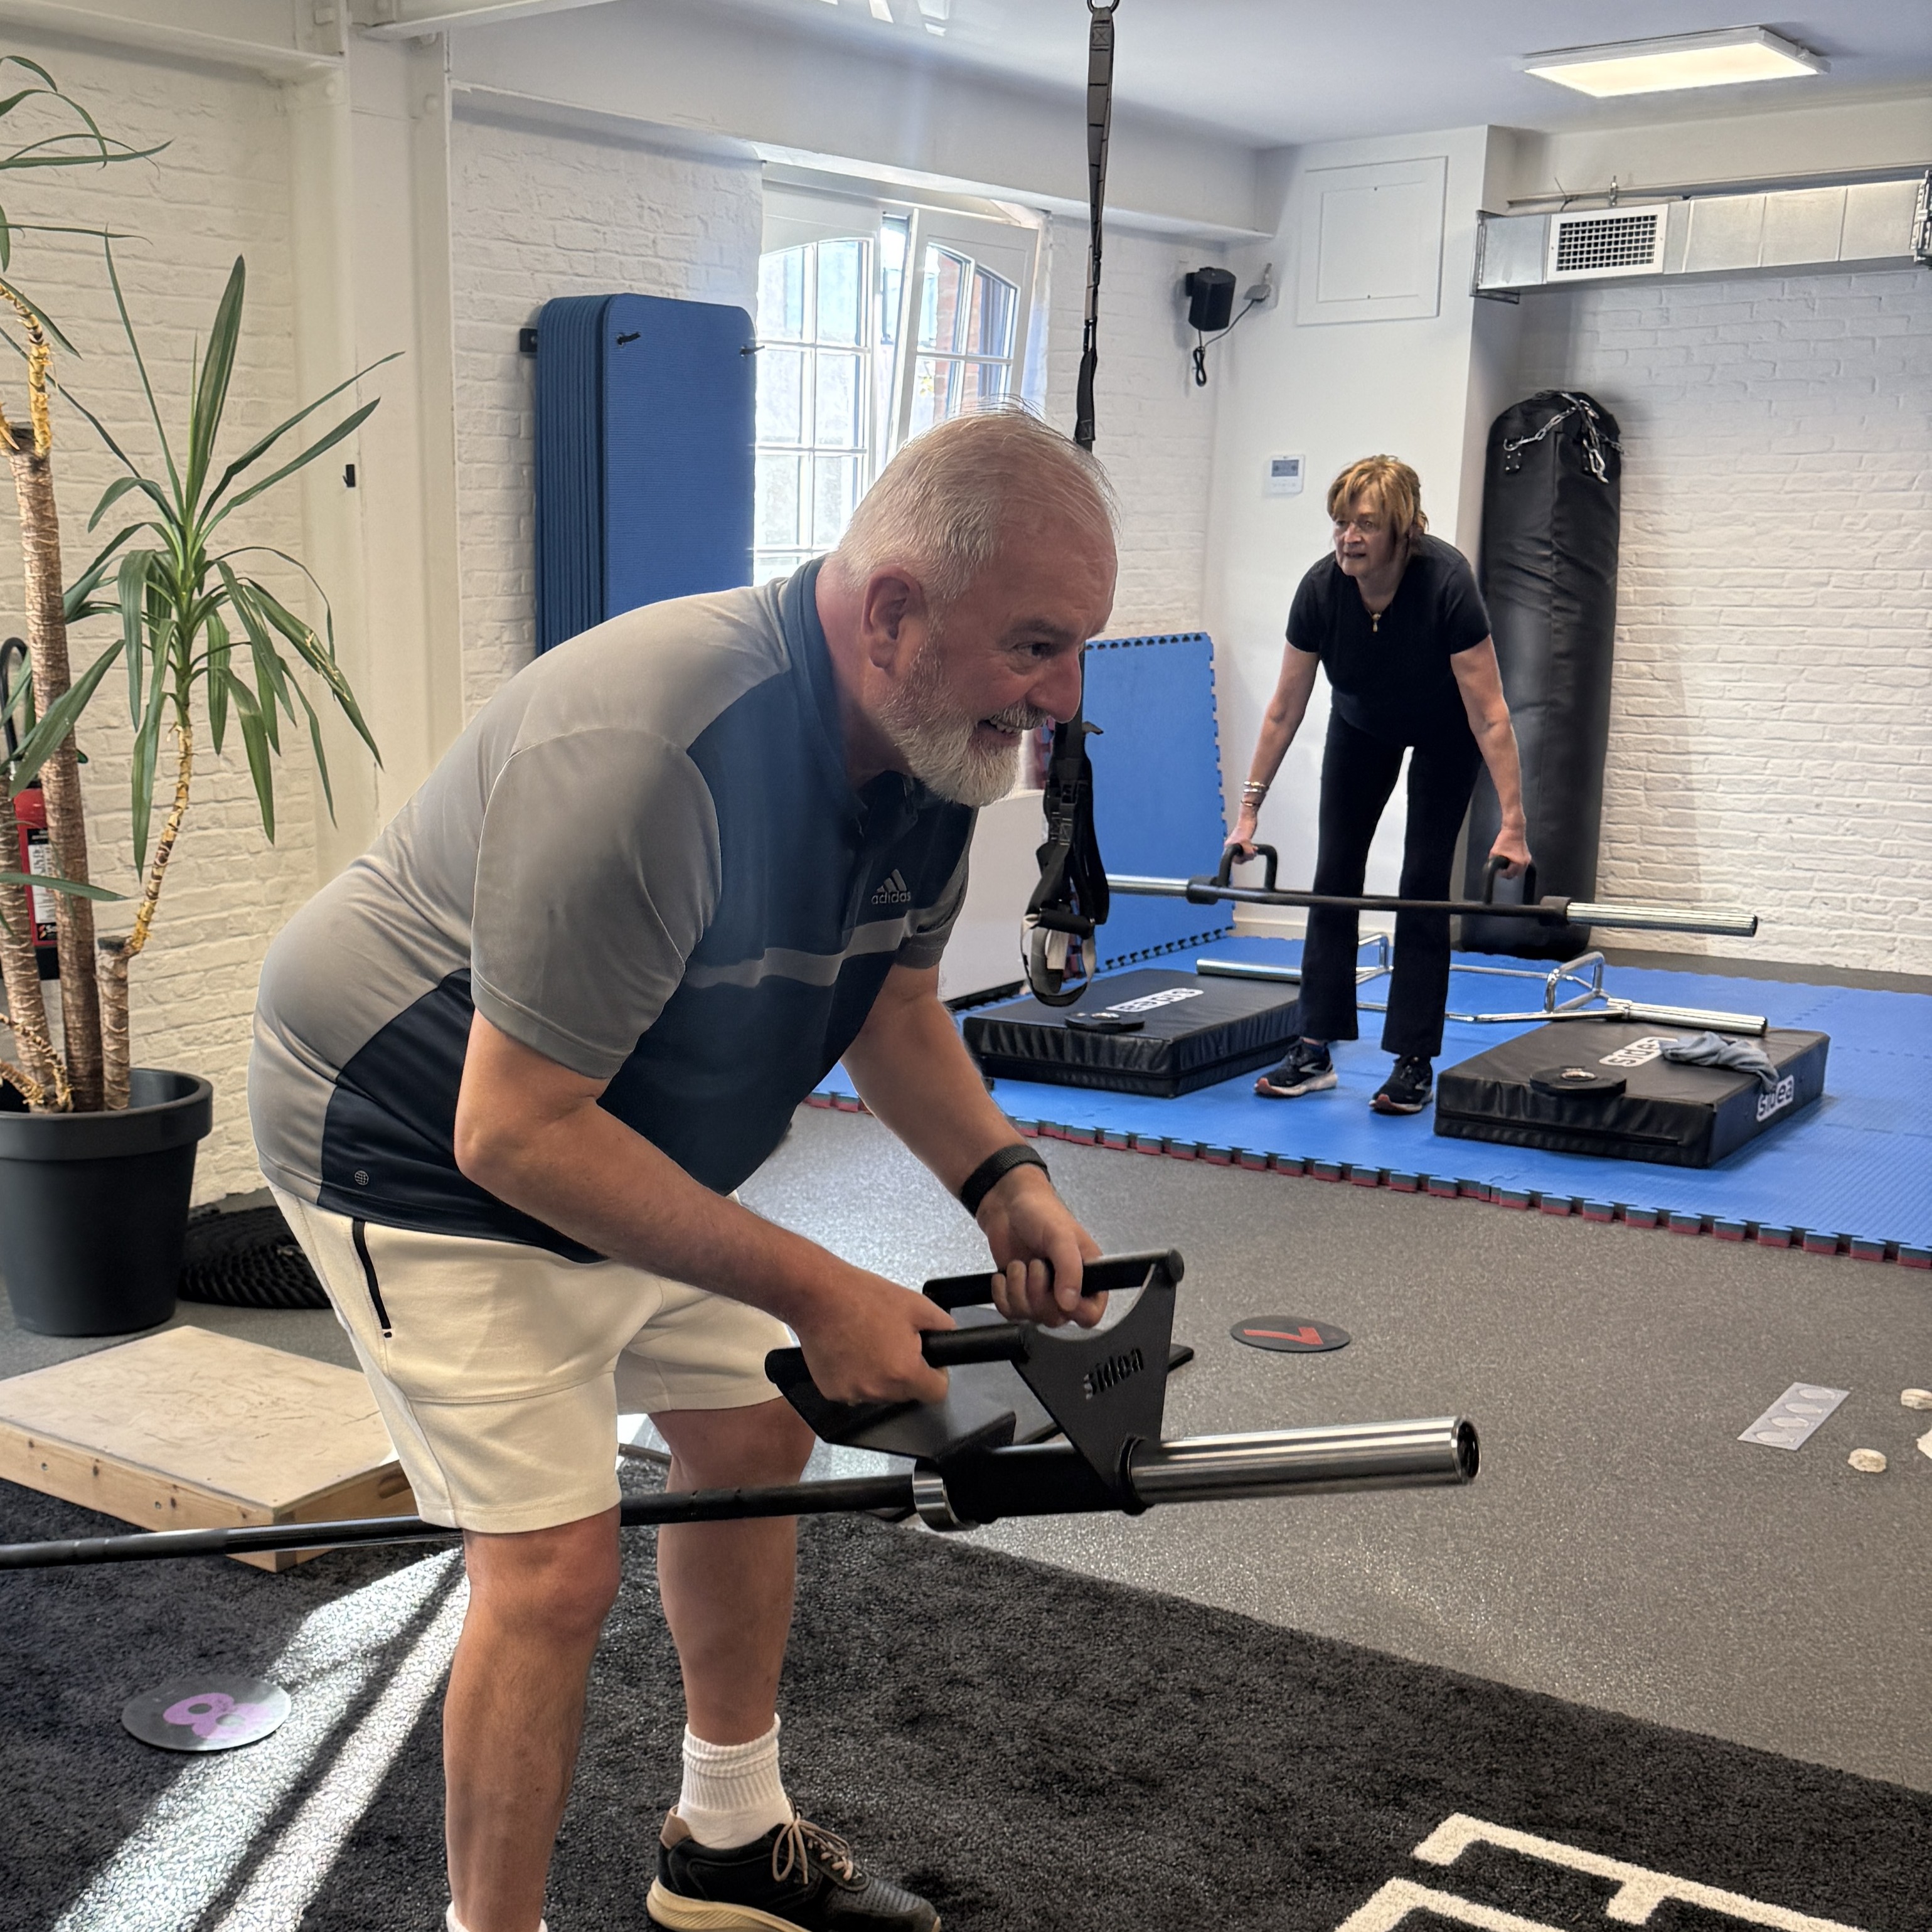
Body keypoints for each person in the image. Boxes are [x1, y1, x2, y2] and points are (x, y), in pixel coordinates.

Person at [249, 407, 1118, 1932]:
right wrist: (812, 1280)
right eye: (1033, 646)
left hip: (605, 1134)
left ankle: (723, 1838)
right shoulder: (651, 747)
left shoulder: (937, 751)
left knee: (748, 1430)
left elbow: (895, 1003)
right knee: (552, 1564)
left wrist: (1002, 1178)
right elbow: (507, 1131)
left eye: (1076, 651)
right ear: (894, 611)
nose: (1058, 695)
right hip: (410, 1139)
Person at [1229, 455, 1530, 1116]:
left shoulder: (1447, 583)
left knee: (1422, 882)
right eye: (1340, 523)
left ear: (1402, 530)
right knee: (1334, 870)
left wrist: (1513, 822)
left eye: (1364, 524)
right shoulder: (1320, 590)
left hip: (1446, 730)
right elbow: (1284, 708)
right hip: (1361, 723)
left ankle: (1413, 1058)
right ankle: (1313, 1047)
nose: (1348, 538)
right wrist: (1247, 812)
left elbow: (1489, 712)